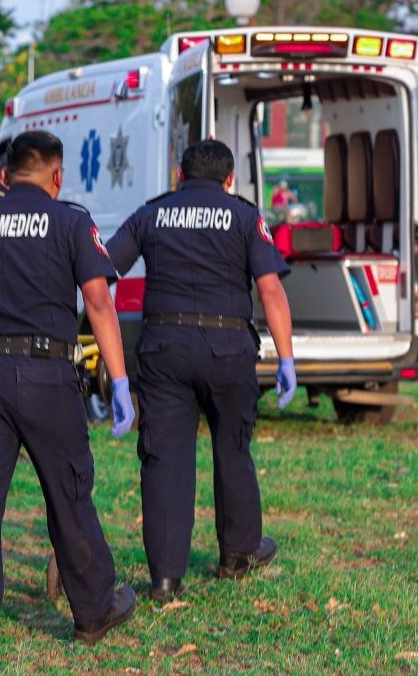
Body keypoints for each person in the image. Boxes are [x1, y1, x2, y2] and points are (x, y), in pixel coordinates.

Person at [0, 130, 137, 672]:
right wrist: (121, 380)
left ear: (7, 175)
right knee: (68, 494)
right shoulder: (70, 220)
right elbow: (99, 302)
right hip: (45, 375)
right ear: (56, 177)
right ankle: (94, 611)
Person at [104, 139, 297, 604]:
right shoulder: (246, 217)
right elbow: (270, 289)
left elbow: (104, 268)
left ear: (179, 175)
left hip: (164, 348)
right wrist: (287, 358)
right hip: (228, 348)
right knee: (233, 447)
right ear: (230, 179)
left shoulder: (152, 214)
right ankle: (238, 553)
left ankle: (165, 579)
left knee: (164, 459)